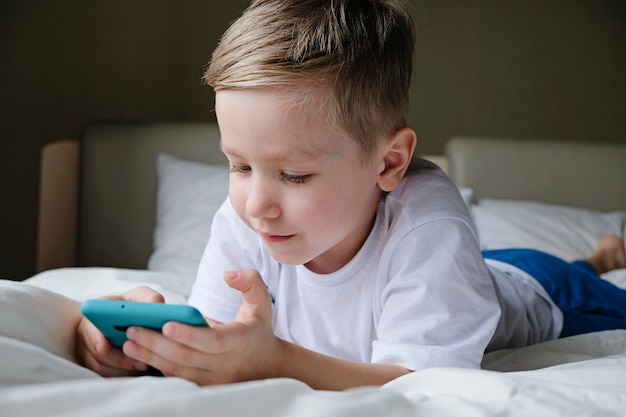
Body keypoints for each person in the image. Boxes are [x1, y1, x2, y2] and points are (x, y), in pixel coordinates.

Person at [73, 0, 626, 390]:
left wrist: (276, 362)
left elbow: (422, 386)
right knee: (485, 272)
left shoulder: (430, 224)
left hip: (542, 290)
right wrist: (146, 343)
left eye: (294, 175)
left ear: (389, 164)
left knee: (580, 286)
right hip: (476, 273)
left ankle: (600, 262)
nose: (257, 205)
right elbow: (222, 333)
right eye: (239, 165)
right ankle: (600, 254)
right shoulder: (248, 214)